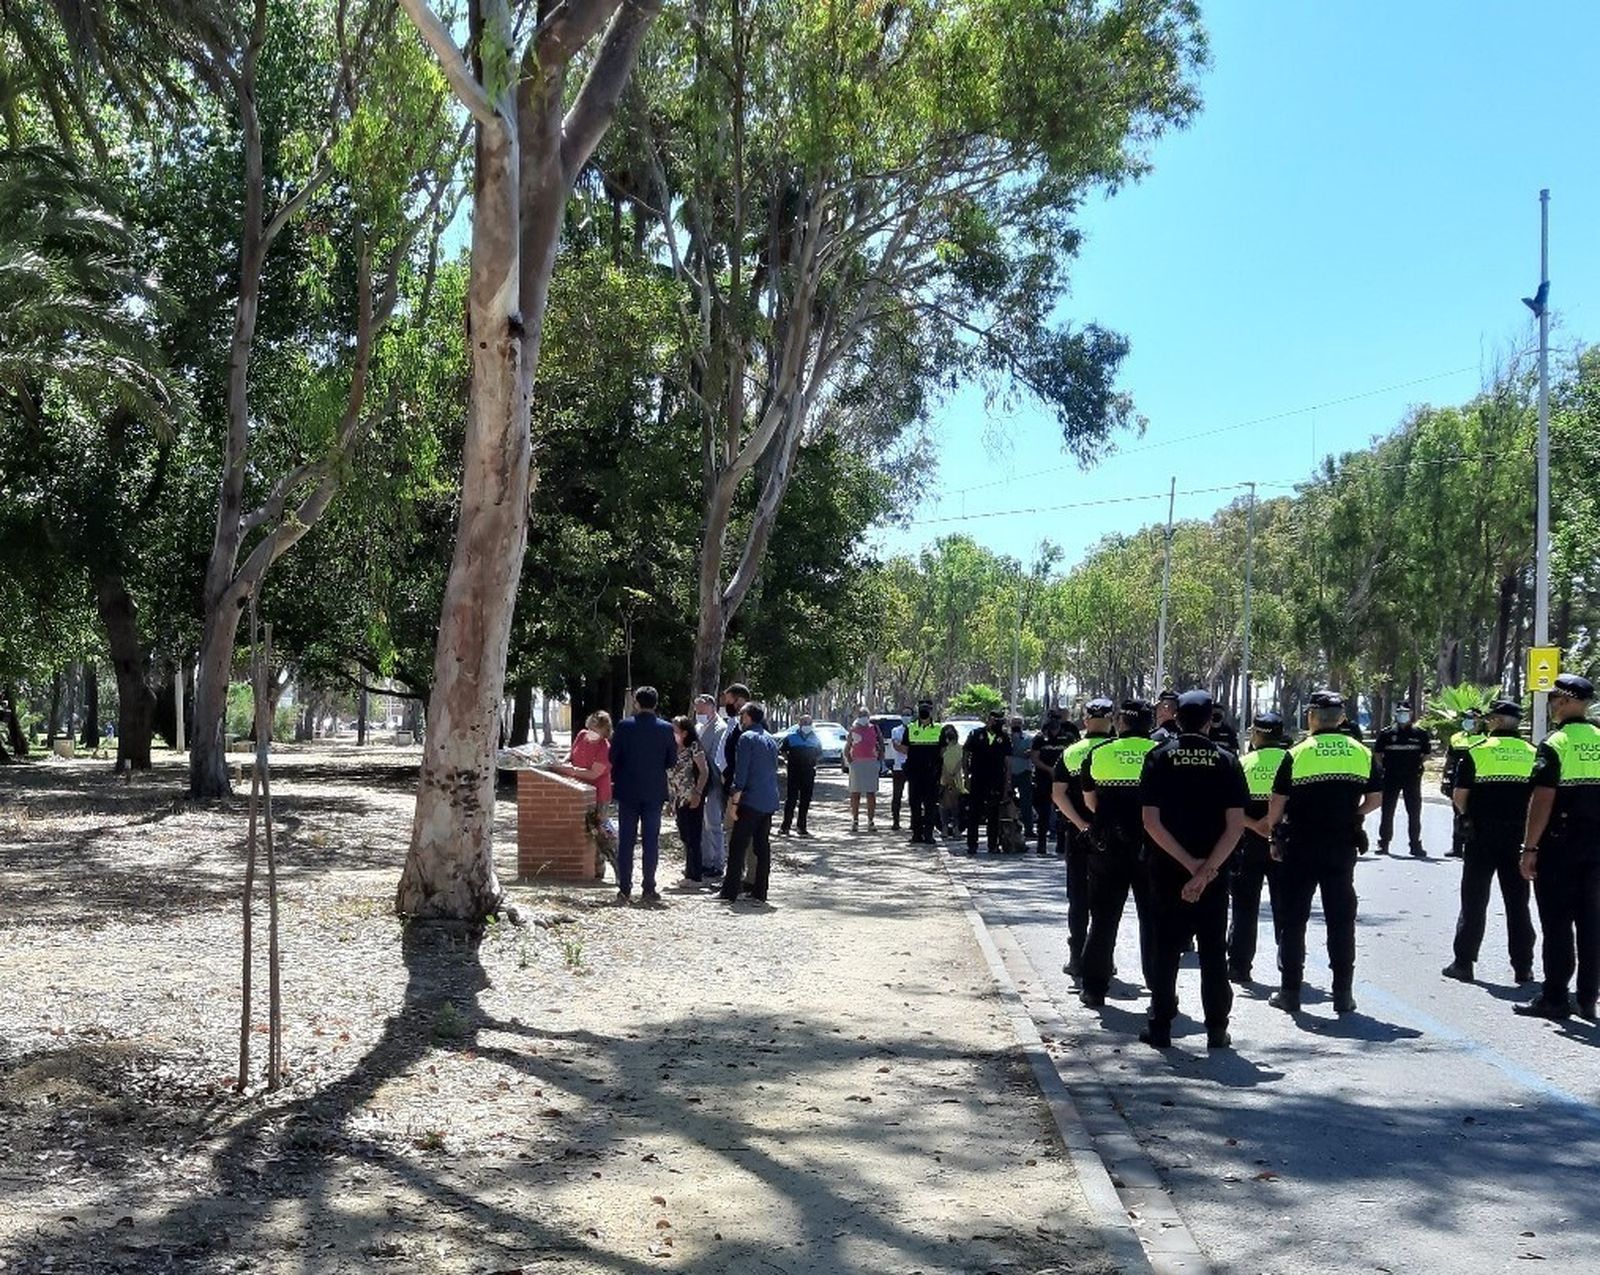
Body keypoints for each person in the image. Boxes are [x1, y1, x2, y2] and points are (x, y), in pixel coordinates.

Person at [1139, 690, 1248, 1049]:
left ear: (1175, 718)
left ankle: (1160, 1026)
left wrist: (1188, 865)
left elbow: (1150, 822)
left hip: (1167, 869)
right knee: (1213, 950)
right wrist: (1204, 872)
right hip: (1213, 875)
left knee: (1166, 949)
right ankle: (1216, 1028)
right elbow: (1236, 826)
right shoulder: (1226, 760)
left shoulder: (1158, 757)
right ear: (1209, 721)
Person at [1266, 690, 1383, 1015]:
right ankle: (1342, 994)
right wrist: (1352, 814)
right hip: (1341, 845)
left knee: (1294, 920)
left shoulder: (1297, 753)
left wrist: (1273, 834)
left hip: (1300, 845)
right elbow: (1375, 799)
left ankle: (1290, 992)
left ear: (1311, 717)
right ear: (1342, 718)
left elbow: (1277, 802)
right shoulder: (1361, 752)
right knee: (1341, 919)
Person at [1514, 674, 1600, 1021]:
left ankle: (1555, 998)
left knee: (1557, 922)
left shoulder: (1555, 743)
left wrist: (1529, 848)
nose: (1552, 706)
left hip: (1560, 848)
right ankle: (1588, 997)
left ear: (1563, 702)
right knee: (1592, 923)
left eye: (1553, 700)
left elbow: (1543, 798)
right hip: (1597, 849)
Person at [1441, 698, 1535, 985]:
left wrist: (1465, 816)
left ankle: (1463, 963)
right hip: (1519, 837)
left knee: (1474, 900)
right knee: (1518, 903)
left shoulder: (1477, 752)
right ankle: (1523, 967)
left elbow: (1459, 796)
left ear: (1495, 721)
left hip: (1481, 837)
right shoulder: (1533, 753)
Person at [1077, 699, 1160, 1008]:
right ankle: (1159, 987)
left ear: (1120, 723)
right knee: (1153, 920)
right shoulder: (1161, 753)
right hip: (1153, 846)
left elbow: (1090, 802)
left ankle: (1094, 988)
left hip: (1108, 845)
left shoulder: (1099, 753)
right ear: (1149, 724)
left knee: (1103, 919)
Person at [1052, 698, 1116, 979]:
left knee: (1078, 898)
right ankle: (1104, 959)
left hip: (1079, 836)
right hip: (1113, 837)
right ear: (1111, 721)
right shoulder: (1117, 752)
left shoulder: (1071, 752)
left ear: (1086, 721)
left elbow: (1058, 795)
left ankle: (1077, 957)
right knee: (1108, 900)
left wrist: (1080, 825)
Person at [1228, 711, 1289, 984]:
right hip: (1283, 842)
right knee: (1285, 906)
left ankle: (1239, 966)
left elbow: (1229, 809)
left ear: (1255, 734)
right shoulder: (1292, 761)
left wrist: (1255, 825)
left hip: (1247, 843)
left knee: (1244, 907)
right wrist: (1273, 823)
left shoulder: (1242, 764)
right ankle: (1289, 963)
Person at [609, 688, 678, 904]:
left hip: (628, 789)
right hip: (654, 791)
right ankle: (649, 887)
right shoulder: (666, 728)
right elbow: (671, 760)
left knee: (626, 841)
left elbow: (613, 756)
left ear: (636, 703)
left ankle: (624, 888)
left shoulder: (624, 726)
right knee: (651, 841)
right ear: (655, 704)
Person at [723, 701, 781, 903]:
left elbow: (741, 773)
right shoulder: (771, 739)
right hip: (769, 799)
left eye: (742, 715)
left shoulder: (746, 738)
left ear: (748, 717)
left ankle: (730, 891)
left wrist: (734, 802)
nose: (740, 719)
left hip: (750, 800)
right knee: (762, 847)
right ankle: (760, 891)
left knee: (737, 846)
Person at [1373, 701, 1432, 857]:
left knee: (1414, 812)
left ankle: (1415, 845)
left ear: (1411, 714)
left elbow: (1426, 753)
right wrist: (1381, 768)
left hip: (1412, 777)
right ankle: (1384, 843)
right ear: (1396, 714)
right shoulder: (1387, 733)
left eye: (1405, 712)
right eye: (1399, 712)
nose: (1402, 715)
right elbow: (1378, 753)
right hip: (1391, 776)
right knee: (1387, 811)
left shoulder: (1420, 733)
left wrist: (1418, 765)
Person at [1030, 708, 1080, 857]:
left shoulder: (1068, 737)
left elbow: (1074, 756)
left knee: (1063, 813)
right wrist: (1049, 769)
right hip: (1044, 779)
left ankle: (1061, 846)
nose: (1054, 721)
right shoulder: (1040, 738)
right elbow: (1034, 758)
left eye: (1057, 718)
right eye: (1052, 718)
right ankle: (1041, 846)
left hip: (1064, 780)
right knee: (1044, 813)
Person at [668, 715, 711, 882]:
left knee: (694, 836)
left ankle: (695, 876)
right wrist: (670, 801)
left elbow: (704, 771)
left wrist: (698, 793)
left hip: (692, 797)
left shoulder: (694, 747)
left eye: (675, 730)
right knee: (684, 835)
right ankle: (689, 870)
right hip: (678, 798)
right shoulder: (672, 749)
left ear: (684, 732)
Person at [964, 709, 1011, 855]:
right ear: (989, 720)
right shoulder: (975, 734)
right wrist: (966, 776)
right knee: (974, 812)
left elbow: (1007, 762)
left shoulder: (1004, 737)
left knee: (993, 813)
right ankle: (972, 844)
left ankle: (992, 845)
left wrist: (1007, 783)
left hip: (996, 779)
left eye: (1000, 721)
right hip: (978, 778)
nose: (998, 724)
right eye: (996, 721)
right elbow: (966, 754)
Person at [1443, 707, 1488, 858]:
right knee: (1458, 813)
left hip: (1478, 781)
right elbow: (1449, 759)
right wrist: (1444, 778)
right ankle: (1457, 847)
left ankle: (1474, 845)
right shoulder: (1456, 738)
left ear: (1479, 721)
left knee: (1475, 814)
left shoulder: (1486, 739)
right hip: (1458, 780)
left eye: (1472, 718)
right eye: (1466, 718)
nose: (1468, 721)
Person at [694, 694, 728, 884]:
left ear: (712, 707)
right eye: (697, 709)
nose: (698, 713)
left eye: (701, 709)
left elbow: (717, 759)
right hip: (700, 782)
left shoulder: (720, 728)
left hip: (713, 784)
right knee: (703, 825)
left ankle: (717, 863)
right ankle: (706, 862)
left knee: (713, 824)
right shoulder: (699, 727)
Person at [903, 700, 944, 845]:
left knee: (930, 805)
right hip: (915, 773)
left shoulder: (938, 728)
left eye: (926, 709)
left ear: (931, 712)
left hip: (932, 774)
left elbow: (943, 749)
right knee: (914, 804)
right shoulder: (911, 728)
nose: (924, 712)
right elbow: (905, 748)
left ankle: (928, 835)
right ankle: (916, 834)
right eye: (922, 709)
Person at [778, 715, 822, 837]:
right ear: (799, 724)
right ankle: (785, 826)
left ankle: (801, 827)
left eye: (809, 723)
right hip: (794, 772)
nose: (807, 725)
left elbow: (819, 754)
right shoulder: (791, 737)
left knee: (805, 800)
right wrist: (788, 760)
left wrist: (812, 762)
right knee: (791, 799)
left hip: (808, 773)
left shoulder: (815, 739)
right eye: (804, 722)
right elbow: (782, 750)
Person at [560, 710, 614, 810]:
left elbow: (593, 774)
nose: (591, 732)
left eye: (595, 731)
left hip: (598, 795)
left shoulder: (605, 748)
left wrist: (572, 770)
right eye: (590, 729)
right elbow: (571, 753)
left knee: (594, 819)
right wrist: (564, 762)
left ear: (603, 732)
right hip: (578, 788)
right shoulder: (582, 735)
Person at [845, 706, 883, 833]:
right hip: (857, 763)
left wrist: (879, 761)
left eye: (865, 715)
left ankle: (871, 821)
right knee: (855, 793)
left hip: (871, 763)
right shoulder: (853, 730)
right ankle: (855, 821)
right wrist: (851, 761)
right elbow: (847, 748)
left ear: (869, 717)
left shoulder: (875, 728)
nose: (863, 718)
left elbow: (881, 745)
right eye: (860, 715)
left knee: (871, 793)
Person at [1006, 715, 1036, 840]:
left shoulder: (1029, 738)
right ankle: (1007, 829)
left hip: (1024, 772)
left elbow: (1030, 753)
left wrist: (1016, 752)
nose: (1016, 725)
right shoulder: (1006, 738)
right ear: (1010, 724)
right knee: (1007, 801)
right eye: (1014, 723)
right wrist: (1019, 752)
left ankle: (1029, 830)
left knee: (1026, 803)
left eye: (1019, 723)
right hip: (1008, 774)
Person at [938, 724, 965, 837]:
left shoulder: (960, 748)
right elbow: (941, 762)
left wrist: (953, 774)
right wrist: (947, 775)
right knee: (944, 805)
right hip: (944, 779)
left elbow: (961, 762)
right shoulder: (942, 749)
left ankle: (956, 828)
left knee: (956, 806)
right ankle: (944, 828)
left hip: (957, 780)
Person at [888, 711, 910, 831]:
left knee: (914, 796)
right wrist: (910, 748)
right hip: (898, 767)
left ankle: (914, 822)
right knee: (897, 795)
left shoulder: (915, 730)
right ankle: (895, 821)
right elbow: (897, 746)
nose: (907, 717)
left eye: (909, 715)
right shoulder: (896, 731)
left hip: (913, 767)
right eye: (905, 715)